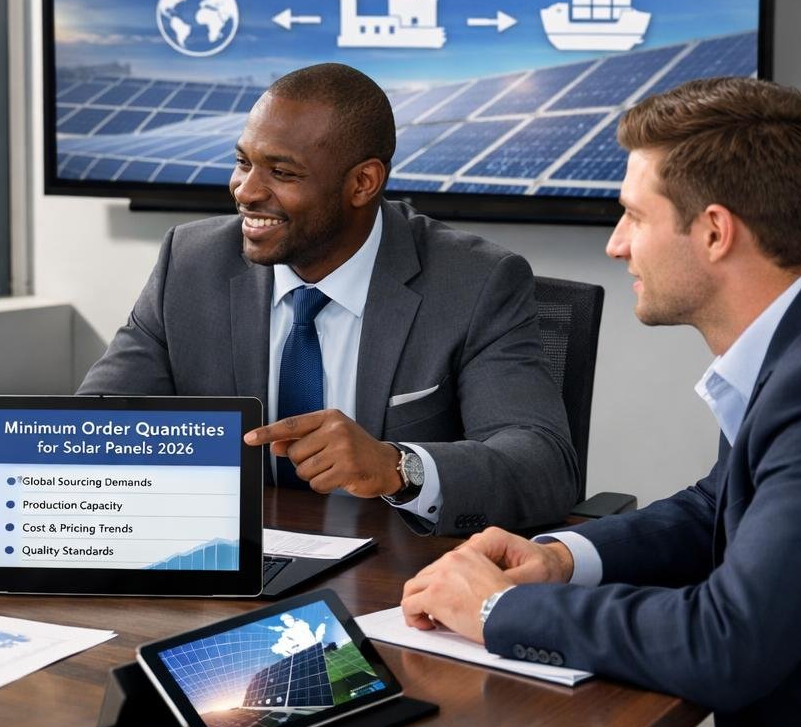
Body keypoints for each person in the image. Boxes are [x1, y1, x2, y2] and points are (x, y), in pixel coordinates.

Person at [399, 77, 801, 727]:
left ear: (714, 231)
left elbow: (725, 643)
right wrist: (561, 559)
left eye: (634, 217)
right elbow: (716, 506)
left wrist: (500, 609)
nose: (617, 245)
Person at [80, 63, 577, 535]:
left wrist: (396, 466)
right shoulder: (190, 263)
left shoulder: (475, 282)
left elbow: (542, 466)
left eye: (282, 172)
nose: (245, 192)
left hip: (398, 572)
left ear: (363, 183)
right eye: (243, 163)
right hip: (232, 554)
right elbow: (91, 429)